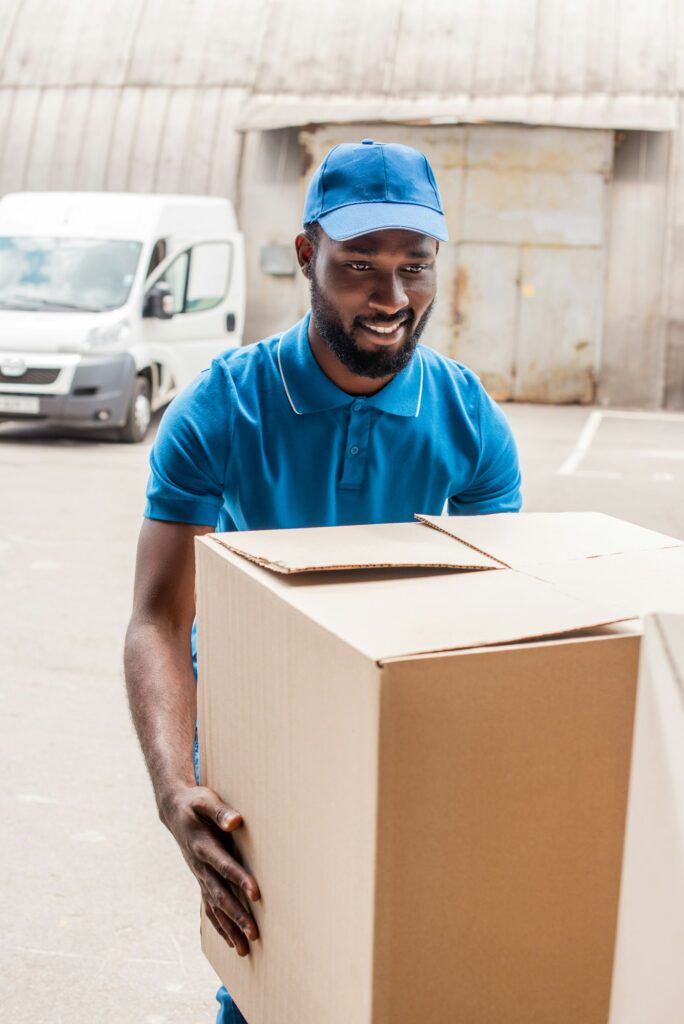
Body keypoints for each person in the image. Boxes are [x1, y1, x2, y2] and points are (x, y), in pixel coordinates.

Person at [124, 138, 522, 1023]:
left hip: (400, 722)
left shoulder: (466, 419)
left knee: (403, 965)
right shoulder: (225, 408)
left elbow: (504, 611)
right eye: (359, 267)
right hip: (257, 733)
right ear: (308, 256)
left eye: (413, 268)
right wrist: (172, 789)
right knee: (269, 969)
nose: (391, 299)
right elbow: (156, 617)